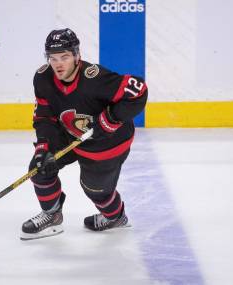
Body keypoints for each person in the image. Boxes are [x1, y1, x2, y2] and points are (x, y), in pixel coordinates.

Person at [20, 28, 148, 240]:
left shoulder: (95, 78)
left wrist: (111, 120)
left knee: (95, 190)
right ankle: (52, 216)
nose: (58, 64)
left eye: (64, 57)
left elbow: (139, 91)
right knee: (39, 167)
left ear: (77, 56)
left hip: (108, 141)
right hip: (71, 134)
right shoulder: (43, 78)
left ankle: (115, 217)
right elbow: (44, 116)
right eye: (53, 58)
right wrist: (44, 147)